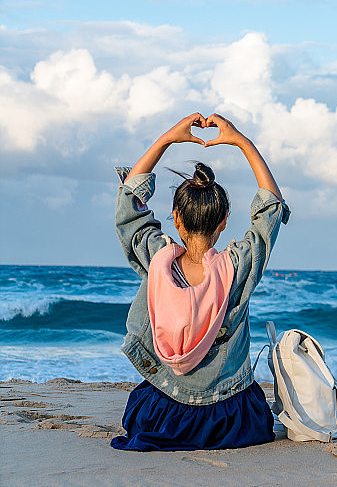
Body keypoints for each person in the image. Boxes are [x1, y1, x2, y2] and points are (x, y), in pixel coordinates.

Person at [110, 113, 290, 451]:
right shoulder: (236, 267)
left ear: (176, 218)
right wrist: (242, 142)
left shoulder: (157, 261)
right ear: (224, 222)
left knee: (142, 401)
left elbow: (128, 208)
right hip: (230, 420)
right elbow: (271, 211)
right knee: (252, 401)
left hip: (164, 415)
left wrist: (167, 138)